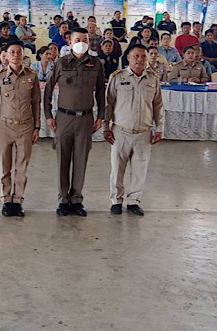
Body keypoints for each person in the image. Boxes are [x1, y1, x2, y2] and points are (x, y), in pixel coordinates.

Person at [44, 29, 106, 216]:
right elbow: (48, 90)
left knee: (81, 160)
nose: (81, 43)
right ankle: (63, 199)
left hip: (85, 118)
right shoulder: (61, 63)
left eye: (85, 39)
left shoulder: (96, 64)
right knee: (63, 159)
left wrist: (101, 115)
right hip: (64, 118)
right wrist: (48, 115)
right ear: (69, 42)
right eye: (77, 39)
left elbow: (101, 91)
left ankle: (77, 199)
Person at [104, 45, 164, 217]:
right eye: (136, 56)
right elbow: (108, 104)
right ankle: (116, 200)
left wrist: (159, 128)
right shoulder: (117, 77)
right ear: (128, 58)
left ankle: (134, 201)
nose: (140, 59)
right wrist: (106, 127)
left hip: (143, 132)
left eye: (143, 56)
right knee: (117, 169)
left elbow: (158, 105)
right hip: (121, 131)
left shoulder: (153, 79)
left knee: (140, 169)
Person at [0, 39, 40, 218]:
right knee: (5, 166)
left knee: (21, 167)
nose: (16, 55)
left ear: (23, 54)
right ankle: (6, 200)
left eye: (19, 52)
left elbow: (36, 103)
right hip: (5, 126)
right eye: (12, 52)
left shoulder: (32, 76)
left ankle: (17, 201)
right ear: (6, 55)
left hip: (26, 126)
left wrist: (37, 127)